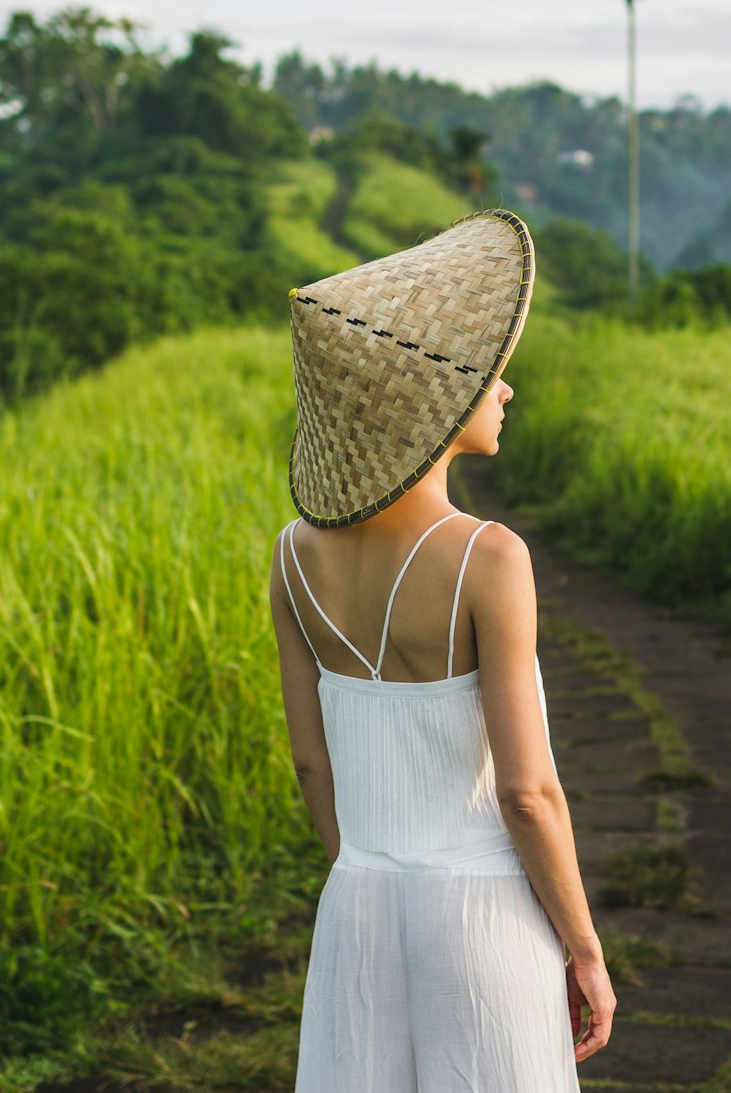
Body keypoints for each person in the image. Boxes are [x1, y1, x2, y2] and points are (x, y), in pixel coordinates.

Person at [267, 208, 614, 1090]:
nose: (507, 390)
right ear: (438, 397)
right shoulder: (489, 557)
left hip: (356, 904)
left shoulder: (292, 554)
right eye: (492, 374)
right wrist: (583, 947)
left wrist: (366, 873)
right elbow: (528, 793)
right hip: (481, 915)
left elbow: (311, 763)